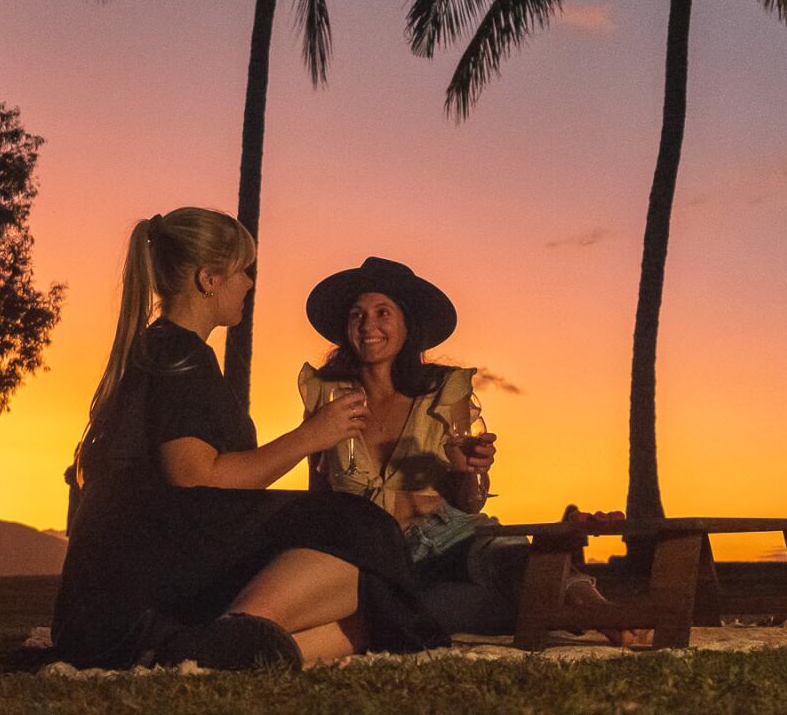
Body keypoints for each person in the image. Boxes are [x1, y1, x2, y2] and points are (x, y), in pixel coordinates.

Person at [47, 212, 445, 672]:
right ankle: (239, 625)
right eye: (244, 270)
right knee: (362, 528)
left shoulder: (160, 352)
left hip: (120, 584)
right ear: (209, 279)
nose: (250, 283)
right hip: (145, 584)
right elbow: (197, 477)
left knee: (374, 609)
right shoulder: (180, 358)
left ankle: (242, 648)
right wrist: (309, 436)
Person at [300, 257, 629, 643]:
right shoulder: (327, 397)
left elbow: (469, 503)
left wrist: (467, 471)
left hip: (452, 536)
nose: (368, 324)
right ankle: (539, 609)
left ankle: (609, 615)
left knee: (509, 556)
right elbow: (318, 497)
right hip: (379, 560)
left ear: (408, 325)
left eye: (382, 312)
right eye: (357, 314)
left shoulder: (443, 390)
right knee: (420, 616)